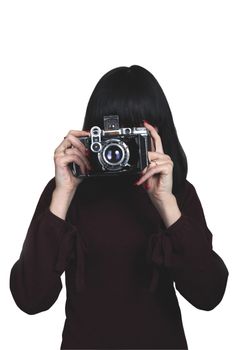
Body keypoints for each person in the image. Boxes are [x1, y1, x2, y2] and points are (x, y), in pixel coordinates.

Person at [9, 65, 229, 350]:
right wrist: (63, 193)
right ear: (92, 133)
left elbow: (208, 294)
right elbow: (30, 298)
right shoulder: (65, 194)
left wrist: (166, 203)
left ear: (156, 133)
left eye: (130, 136)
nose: (118, 148)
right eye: (112, 135)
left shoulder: (178, 194)